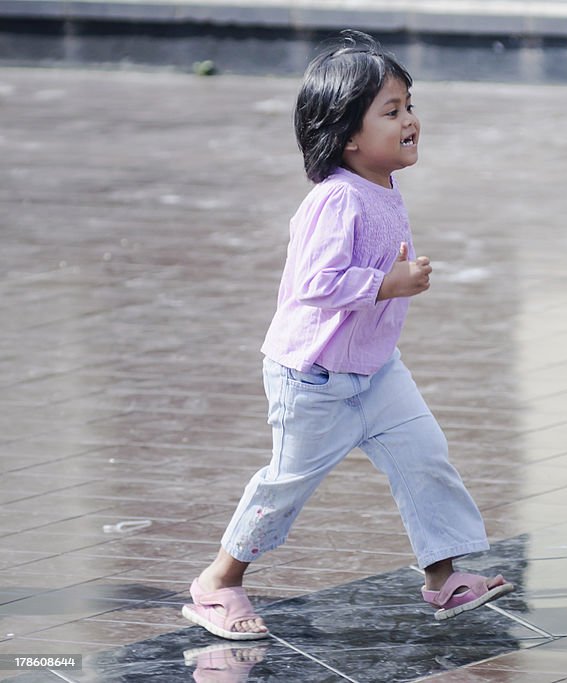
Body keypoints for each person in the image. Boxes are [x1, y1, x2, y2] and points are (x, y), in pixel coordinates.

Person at [181, 30, 513, 640]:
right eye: (392, 112)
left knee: (423, 458)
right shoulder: (336, 200)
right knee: (285, 486)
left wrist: (390, 286)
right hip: (313, 377)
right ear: (346, 133)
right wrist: (389, 282)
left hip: (377, 369)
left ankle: (443, 576)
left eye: (409, 106)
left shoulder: (380, 186)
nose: (410, 120)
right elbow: (315, 283)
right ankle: (218, 582)